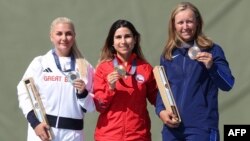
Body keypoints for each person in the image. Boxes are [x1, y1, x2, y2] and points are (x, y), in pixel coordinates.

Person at [155, 2, 235, 141]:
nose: (185, 27)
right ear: (174, 25)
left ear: (197, 22)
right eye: (180, 22)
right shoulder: (168, 55)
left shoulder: (212, 50)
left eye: (189, 21)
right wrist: (161, 111)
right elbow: (162, 90)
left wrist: (212, 67)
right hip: (172, 130)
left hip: (201, 128)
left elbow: (228, 84)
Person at [17, 17, 95, 141]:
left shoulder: (85, 68)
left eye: (68, 34)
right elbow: (23, 93)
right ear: (51, 36)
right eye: (59, 33)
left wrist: (83, 93)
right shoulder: (40, 63)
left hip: (72, 135)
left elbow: (91, 107)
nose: (64, 38)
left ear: (74, 36)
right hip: (43, 132)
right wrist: (35, 123)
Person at [93, 19, 158, 141]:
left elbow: (158, 99)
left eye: (127, 36)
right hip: (108, 136)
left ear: (134, 40)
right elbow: (99, 106)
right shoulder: (103, 68)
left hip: (138, 136)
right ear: (112, 42)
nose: (123, 41)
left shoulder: (145, 68)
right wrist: (110, 88)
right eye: (118, 37)